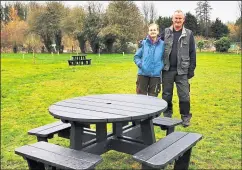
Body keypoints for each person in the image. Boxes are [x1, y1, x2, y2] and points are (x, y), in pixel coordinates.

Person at [161, 10, 196, 127]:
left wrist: (191, 69)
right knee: (166, 95)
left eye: (180, 18)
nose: (178, 20)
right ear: (172, 19)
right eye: (176, 18)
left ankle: (185, 118)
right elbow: (156, 44)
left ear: (183, 20)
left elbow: (192, 52)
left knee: (184, 95)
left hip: (183, 71)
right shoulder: (165, 32)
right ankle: (167, 118)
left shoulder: (189, 34)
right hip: (167, 70)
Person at [134, 23, 165, 97]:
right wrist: (140, 65)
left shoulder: (163, 44)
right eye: (151, 30)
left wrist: (160, 66)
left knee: (153, 98)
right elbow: (136, 56)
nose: (153, 31)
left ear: (157, 31)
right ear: (148, 32)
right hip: (143, 74)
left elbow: (165, 58)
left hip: (156, 75)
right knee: (141, 97)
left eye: (154, 30)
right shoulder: (144, 43)